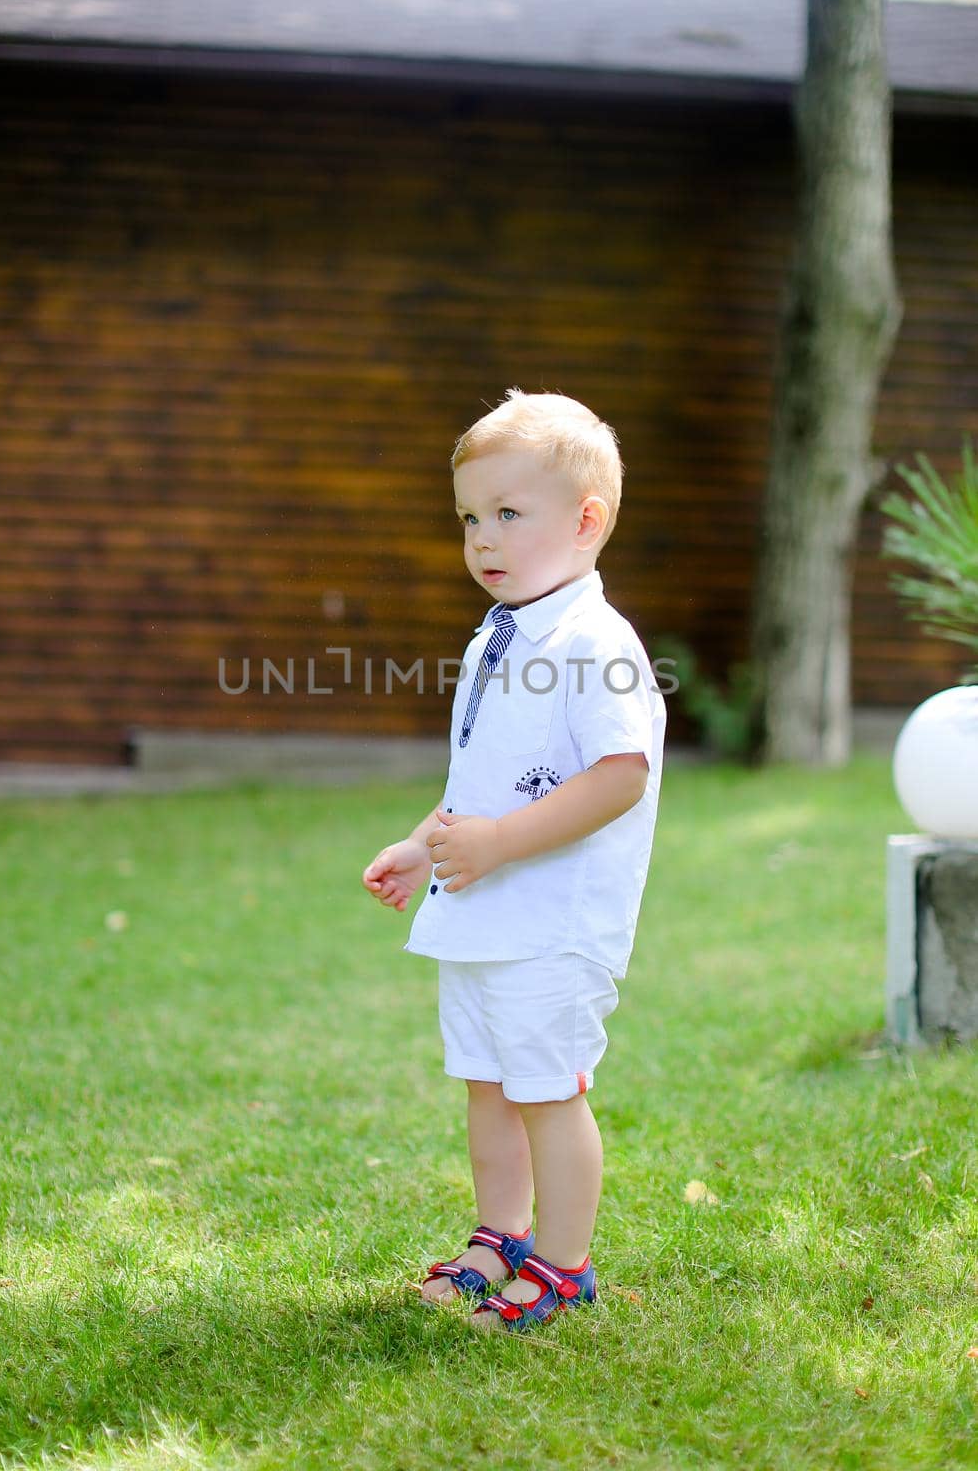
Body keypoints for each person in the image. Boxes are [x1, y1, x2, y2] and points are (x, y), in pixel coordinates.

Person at [362, 388, 666, 1335]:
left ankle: (564, 1268)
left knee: (545, 1094)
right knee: (488, 1091)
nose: (480, 538)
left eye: (506, 513)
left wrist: (495, 843)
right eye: (467, 517)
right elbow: (478, 782)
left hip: (550, 924)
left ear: (586, 522)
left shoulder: (594, 646)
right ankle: (501, 1237)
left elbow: (620, 777)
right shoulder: (496, 639)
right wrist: (426, 845)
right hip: (482, 916)